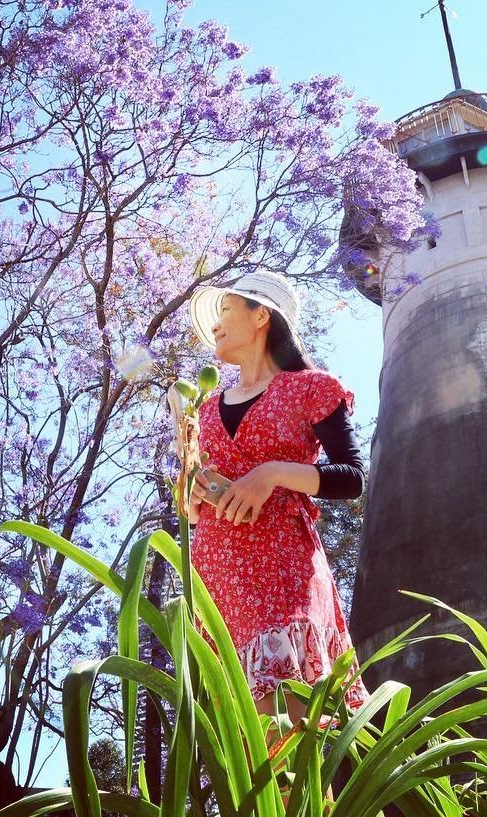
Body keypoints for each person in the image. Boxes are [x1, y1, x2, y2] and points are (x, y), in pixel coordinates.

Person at [186, 271, 370, 741]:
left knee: (286, 722)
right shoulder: (204, 412)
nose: (216, 326)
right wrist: (195, 491)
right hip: (219, 576)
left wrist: (270, 474)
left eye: (226, 311)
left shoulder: (311, 388)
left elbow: (352, 478)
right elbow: (193, 509)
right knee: (243, 737)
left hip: (280, 566)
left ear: (261, 315)